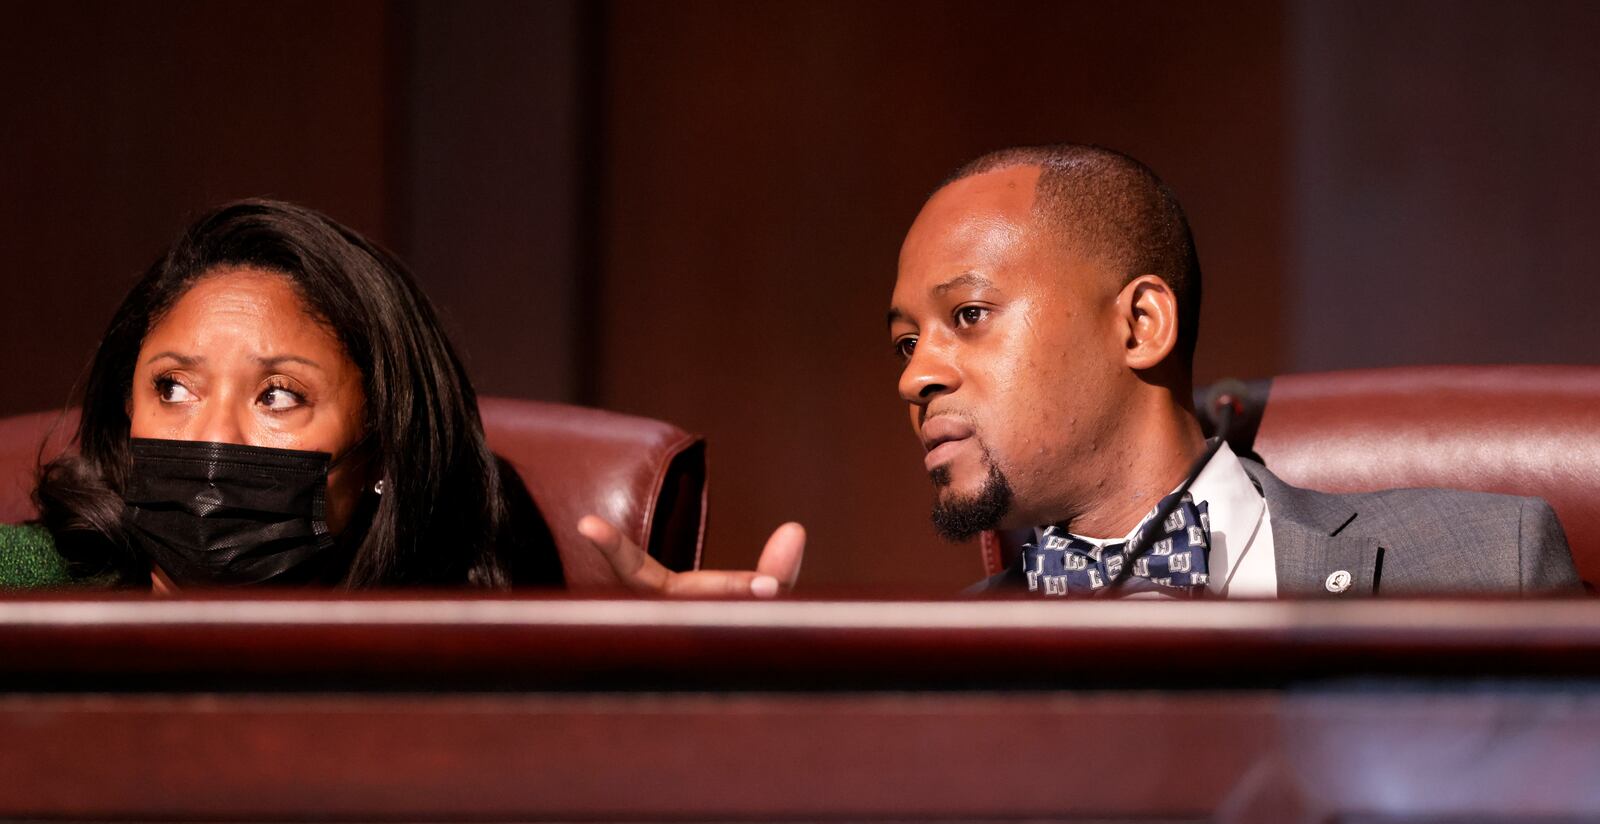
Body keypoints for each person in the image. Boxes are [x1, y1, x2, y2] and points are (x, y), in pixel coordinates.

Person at [589, 144, 1583, 597]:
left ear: (1142, 322)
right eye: (903, 342)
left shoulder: (1481, 560)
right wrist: (715, 697)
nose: (912, 377)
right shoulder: (934, 668)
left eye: (967, 316)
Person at [0, 199, 560, 591]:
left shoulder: (451, 649)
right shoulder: (29, 582)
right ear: (127, 412)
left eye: (278, 397)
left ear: (382, 450)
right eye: (172, 388)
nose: (213, 437)